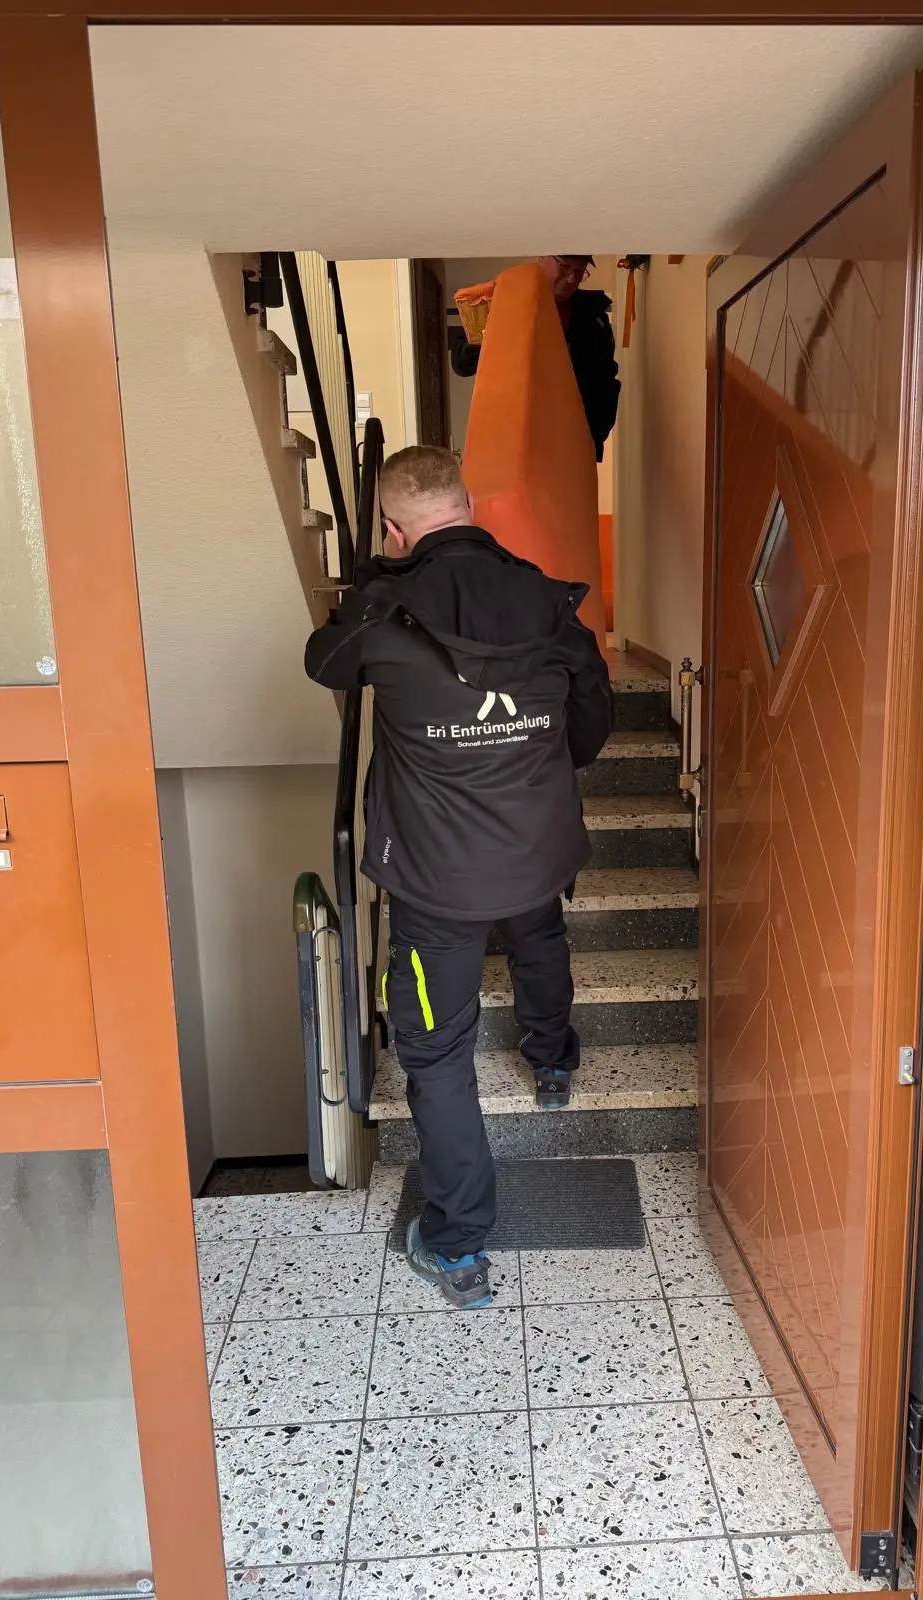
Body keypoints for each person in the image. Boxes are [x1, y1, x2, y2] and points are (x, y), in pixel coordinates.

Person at [304, 445, 613, 1309]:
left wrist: (377, 578)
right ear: (468, 505)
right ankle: (552, 1064)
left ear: (394, 529)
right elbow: (591, 727)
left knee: (437, 1050)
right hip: (534, 851)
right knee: (539, 933)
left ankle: (458, 1244)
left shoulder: (382, 610)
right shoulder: (547, 601)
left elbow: (323, 662)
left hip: (436, 880)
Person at [448, 255, 621, 462]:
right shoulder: (505, 298)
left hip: (571, 445)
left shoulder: (592, 315)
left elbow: (605, 380)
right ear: (543, 257)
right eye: (565, 267)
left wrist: (595, 434)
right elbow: (461, 363)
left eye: (579, 272)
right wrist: (488, 337)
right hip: (514, 442)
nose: (571, 278)